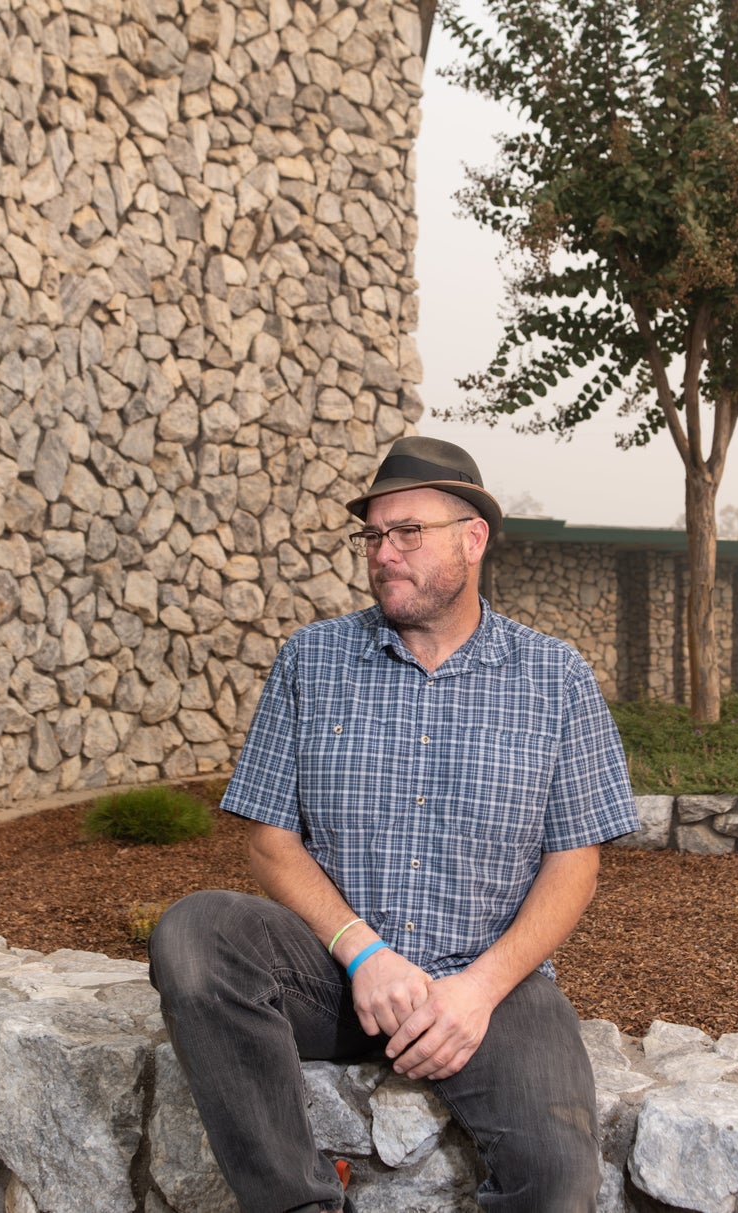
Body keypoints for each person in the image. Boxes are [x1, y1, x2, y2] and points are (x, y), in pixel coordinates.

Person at [149, 436, 640, 1213]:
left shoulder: (556, 677)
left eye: (408, 531)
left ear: (472, 538)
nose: (384, 553)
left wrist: (477, 990)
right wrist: (362, 951)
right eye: (374, 536)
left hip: (491, 986)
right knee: (194, 934)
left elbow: (575, 860)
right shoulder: (310, 660)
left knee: (556, 1179)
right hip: (335, 973)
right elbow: (268, 840)